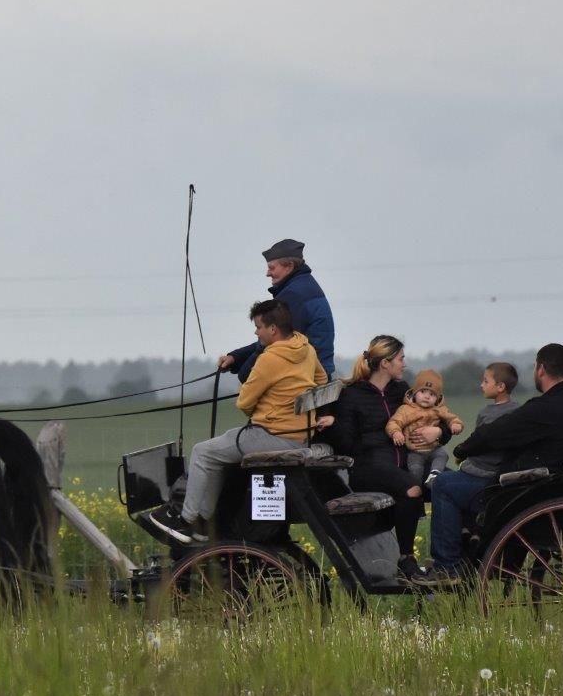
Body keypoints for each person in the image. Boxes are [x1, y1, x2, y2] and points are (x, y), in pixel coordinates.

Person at [147, 299, 331, 544]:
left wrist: (269, 402)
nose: (256, 332)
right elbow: (321, 378)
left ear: (273, 329)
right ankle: (203, 522)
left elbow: (244, 402)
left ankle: (185, 519)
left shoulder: (269, 358)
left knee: (202, 452)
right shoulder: (305, 348)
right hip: (299, 435)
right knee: (217, 450)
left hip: (272, 434)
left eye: (258, 327)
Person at [421, 344, 563, 582]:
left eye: (536, 367)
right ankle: (469, 548)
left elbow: (496, 433)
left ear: (541, 369)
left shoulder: (544, 409)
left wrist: (464, 448)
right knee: (458, 482)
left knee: (444, 485)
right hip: (562, 492)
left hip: (527, 496)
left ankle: (447, 566)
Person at [315, 335, 450, 582]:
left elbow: (437, 416)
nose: (404, 364)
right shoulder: (352, 395)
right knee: (411, 489)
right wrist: (334, 424)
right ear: (385, 363)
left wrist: (440, 431)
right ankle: (406, 560)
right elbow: (345, 444)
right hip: (367, 467)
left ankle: (452, 559)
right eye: (401, 359)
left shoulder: (402, 391)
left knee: (450, 483)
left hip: (406, 461)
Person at [219, 239, 336, 383]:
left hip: (306, 376)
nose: (268, 273)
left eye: (272, 268)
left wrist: (246, 373)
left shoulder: (293, 295)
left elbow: (274, 341)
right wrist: (236, 357)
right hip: (317, 371)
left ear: (289, 266)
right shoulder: (305, 285)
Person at [384, 369, 464, 485]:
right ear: (414, 393)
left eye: (432, 394)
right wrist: (396, 432)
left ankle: (434, 475)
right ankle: (416, 488)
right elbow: (394, 422)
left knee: (442, 455)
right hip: (415, 450)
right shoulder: (406, 410)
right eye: (422, 392)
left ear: (438, 398)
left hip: (434, 448)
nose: (427, 397)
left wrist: (456, 424)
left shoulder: (439, 409)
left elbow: (451, 418)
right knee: (415, 468)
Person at [455, 362, 522, 481]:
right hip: (506, 469)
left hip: (484, 468)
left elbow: (477, 442)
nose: (481, 385)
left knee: (442, 482)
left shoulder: (486, 413)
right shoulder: (518, 409)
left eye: (486, 381)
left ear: (500, 387)